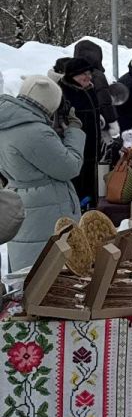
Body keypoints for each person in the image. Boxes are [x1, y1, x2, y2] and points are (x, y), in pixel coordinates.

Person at [0, 76, 84, 271]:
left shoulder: (6, 123)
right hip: (47, 209)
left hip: (21, 201)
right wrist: (74, 131)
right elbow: (69, 167)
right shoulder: (35, 132)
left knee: (27, 273)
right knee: (49, 275)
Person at [58, 57, 101, 207]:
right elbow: (60, 121)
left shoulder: (88, 89)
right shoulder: (63, 92)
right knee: (77, 183)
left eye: (89, 73)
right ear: (72, 75)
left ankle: (90, 209)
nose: (88, 77)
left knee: (90, 181)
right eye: (83, 74)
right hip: (74, 146)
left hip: (91, 146)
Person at [73, 39, 120, 142]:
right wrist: (112, 122)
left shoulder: (71, 74)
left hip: (76, 125)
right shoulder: (96, 75)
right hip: (98, 124)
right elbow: (104, 101)